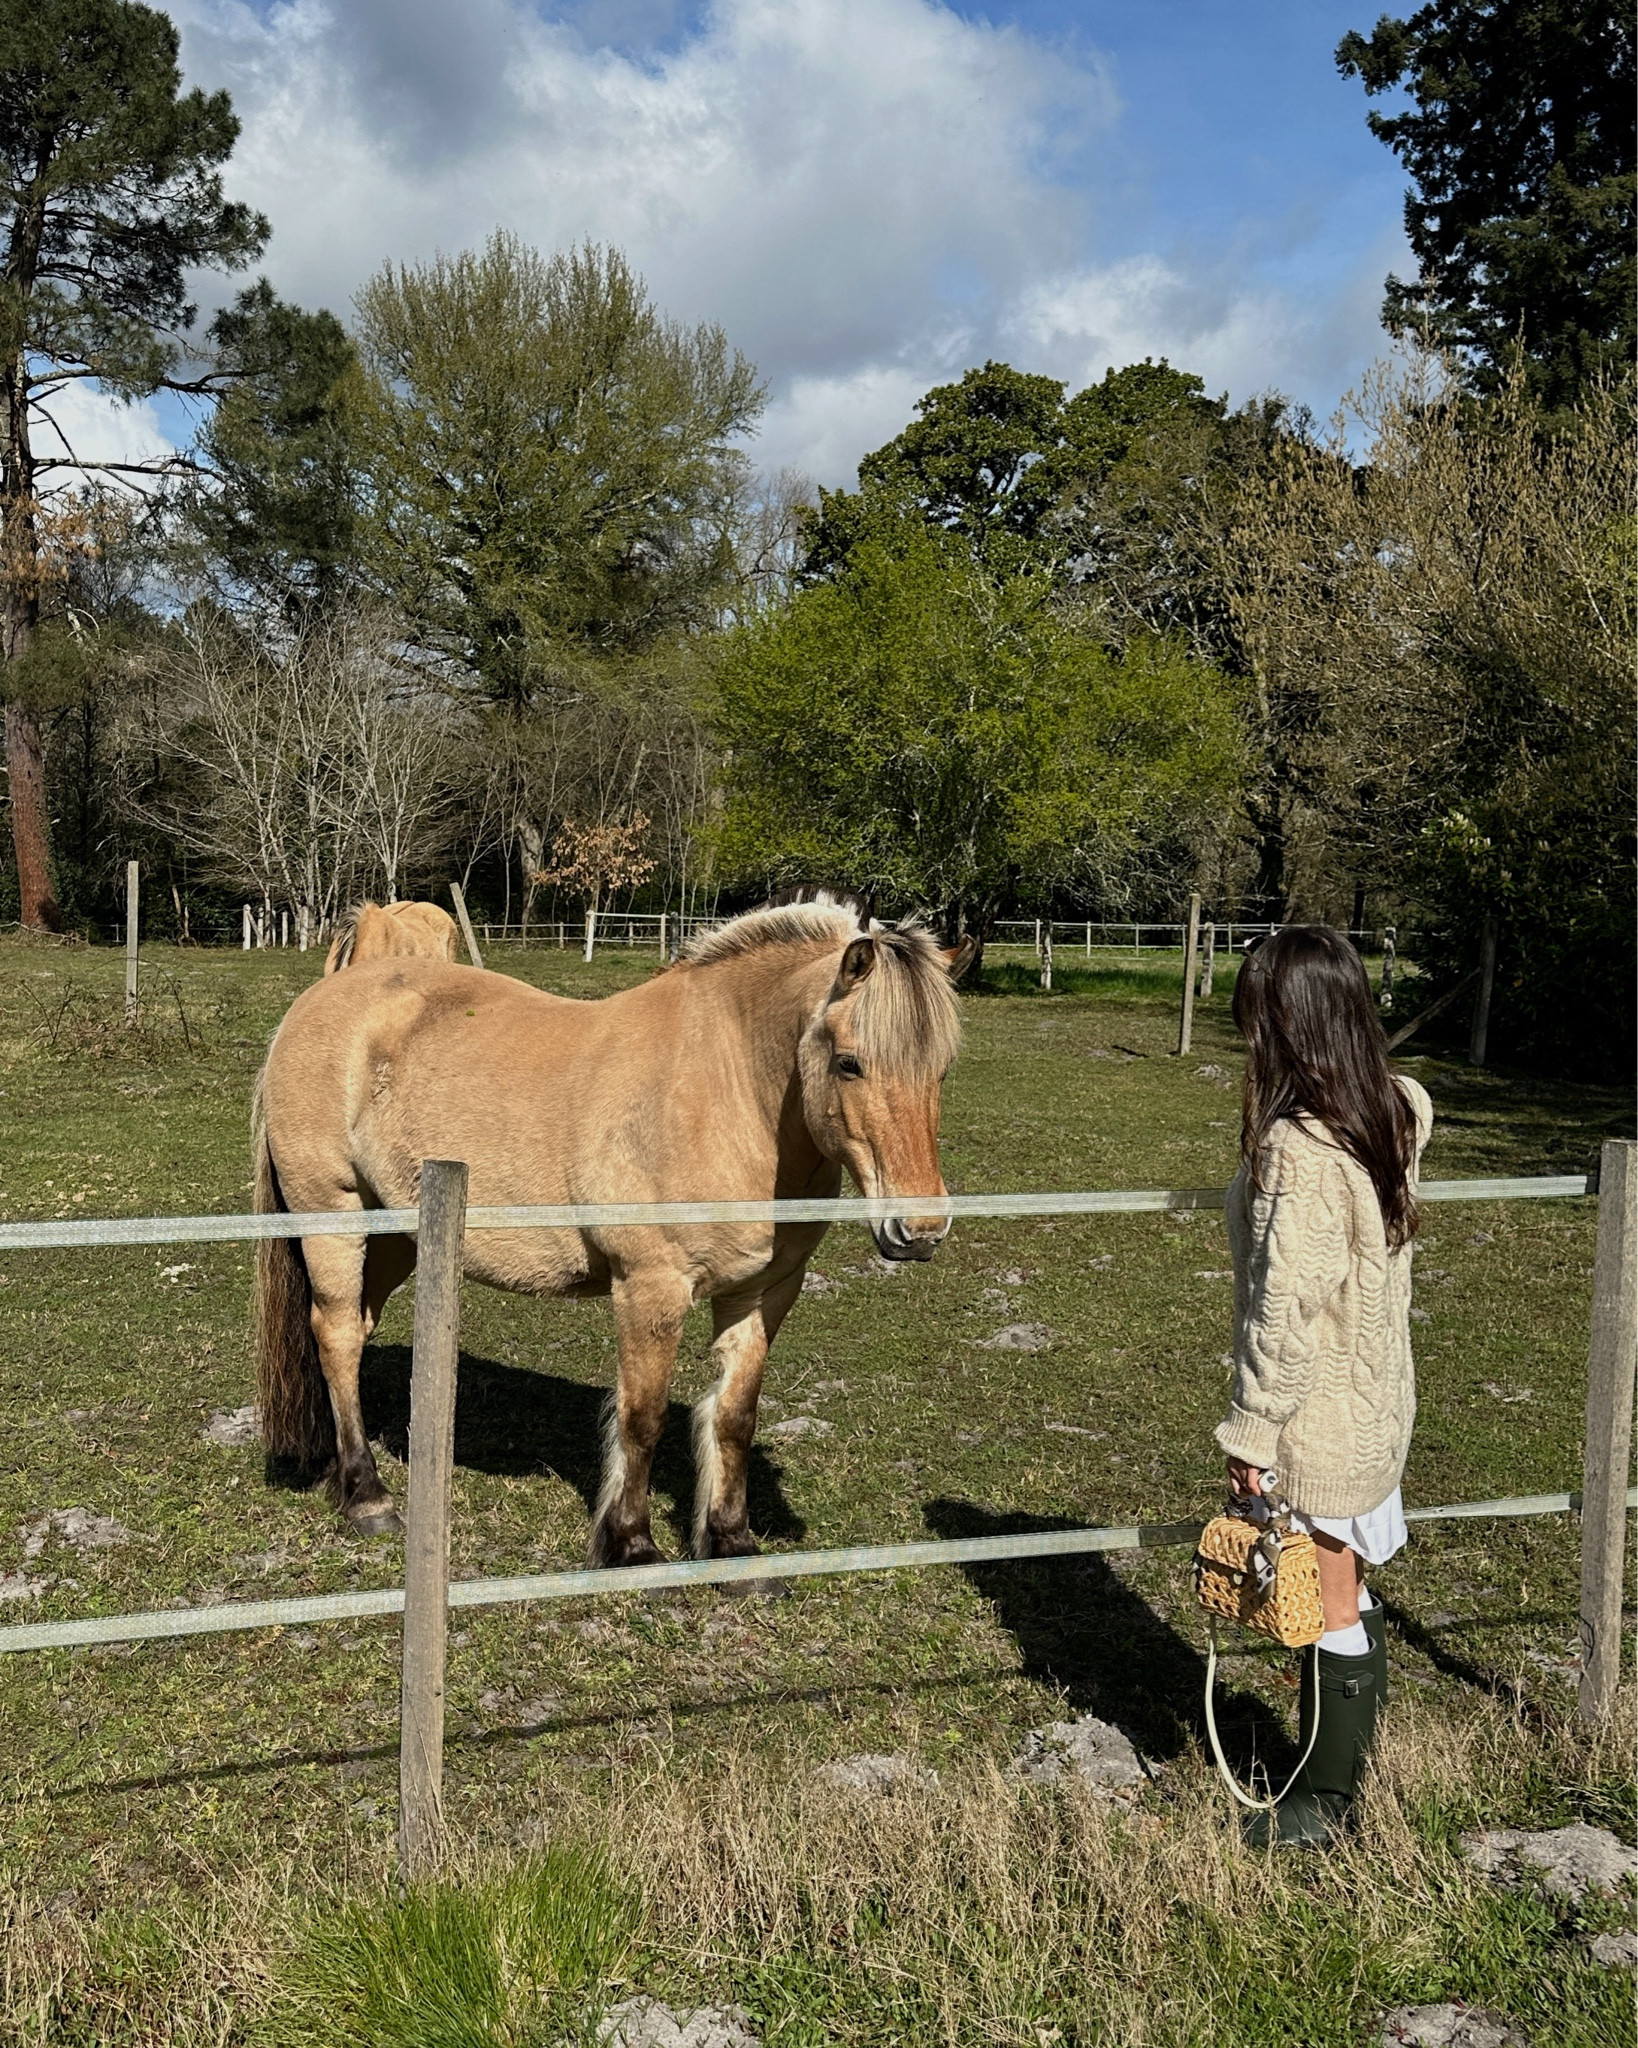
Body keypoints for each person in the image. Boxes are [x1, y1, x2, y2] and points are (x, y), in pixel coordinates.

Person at [1215, 924, 1432, 1847]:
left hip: (1320, 1421)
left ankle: (1327, 1802)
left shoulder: (1300, 1152)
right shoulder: (1394, 1109)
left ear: (1287, 1028)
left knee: (1328, 1599)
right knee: (1345, 1590)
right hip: (1377, 1399)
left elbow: (1285, 1313)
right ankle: (1336, 1770)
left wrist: (1251, 1436)